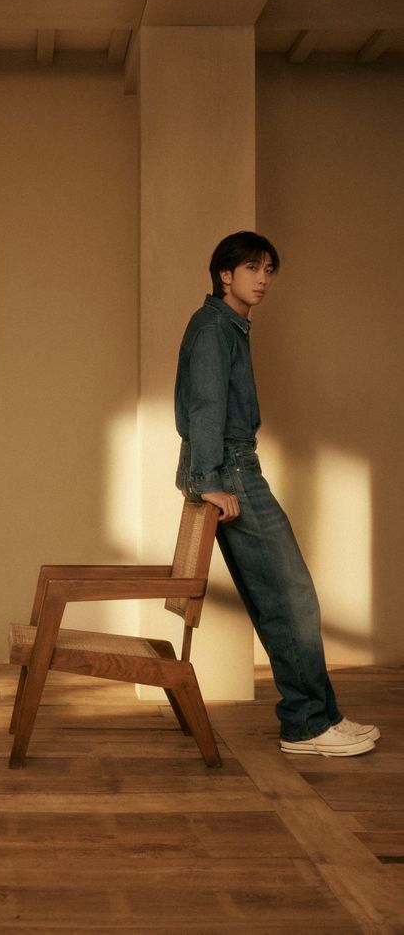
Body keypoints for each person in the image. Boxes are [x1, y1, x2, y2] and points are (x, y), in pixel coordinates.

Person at [174, 231, 379, 757]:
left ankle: (320, 714)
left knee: (282, 601)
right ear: (226, 274)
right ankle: (307, 725)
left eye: (269, 270)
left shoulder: (229, 327)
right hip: (233, 469)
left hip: (235, 465)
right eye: (253, 269)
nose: (263, 279)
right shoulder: (215, 328)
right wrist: (209, 482)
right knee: (293, 600)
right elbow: (204, 408)